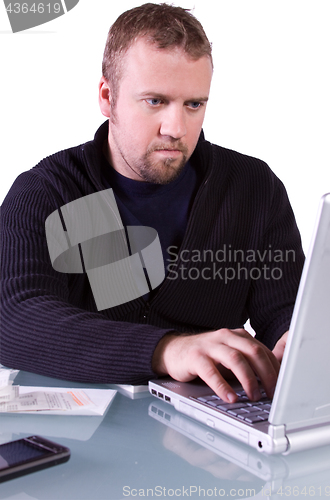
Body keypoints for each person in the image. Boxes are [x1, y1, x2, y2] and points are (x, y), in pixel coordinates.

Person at [0, 3, 304, 403]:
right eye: (155, 101)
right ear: (108, 98)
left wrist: (296, 345)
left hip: (212, 431)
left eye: (194, 104)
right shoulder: (52, 192)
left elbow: (284, 309)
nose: (176, 129)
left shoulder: (251, 188)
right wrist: (167, 349)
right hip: (87, 435)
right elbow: (16, 319)